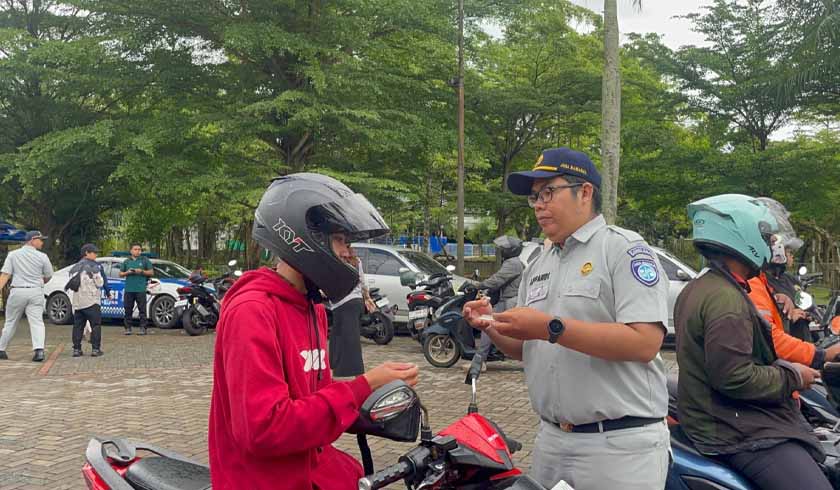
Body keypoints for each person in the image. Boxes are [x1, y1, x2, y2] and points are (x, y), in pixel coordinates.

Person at [464, 147, 671, 490]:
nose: (539, 205)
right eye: (534, 197)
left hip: (618, 447)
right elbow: (528, 348)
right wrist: (493, 325)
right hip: (551, 440)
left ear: (585, 192)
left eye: (548, 192)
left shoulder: (623, 249)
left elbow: (645, 342)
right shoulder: (540, 264)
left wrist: (550, 328)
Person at [208, 173, 419, 490]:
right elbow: (265, 429)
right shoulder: (252, 312)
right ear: (304, 238)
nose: (349, 253)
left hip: (311, 471)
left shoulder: (312, 309)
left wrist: (369, 403)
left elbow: (308, 398)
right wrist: (362, 386)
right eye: (341, 241)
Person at [674, 193, 831, 490]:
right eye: (767, 236)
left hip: (722, 419)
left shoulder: (705, 286)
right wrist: (794, 376)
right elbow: (735, 377)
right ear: (741, 234)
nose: (772, 244)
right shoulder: (725, 300)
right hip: (734, 428)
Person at [472, 235, 525, 371]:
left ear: (510, 250)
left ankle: (480, 361)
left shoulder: (512, 263)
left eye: (504, 249)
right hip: (507, 299)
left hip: (510, 300)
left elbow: (497, 280)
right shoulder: (514, 262)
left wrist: (478, 285)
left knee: (488, 324)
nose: (501, 252)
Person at [0, 231, 53, 362]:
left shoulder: (13, 255)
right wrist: (41, 281)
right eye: (40, 239)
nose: (42, 242)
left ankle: (1, 349)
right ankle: (39, 351)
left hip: (17, 291)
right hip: (35, 292)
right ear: (32, 240)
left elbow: (5, 274)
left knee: (11, 322)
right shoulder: (43, 256)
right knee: (37, 322)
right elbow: (49, 275)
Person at [328, 247, 367, 377]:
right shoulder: (357, 261)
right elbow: (362, 281)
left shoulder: (338, 261)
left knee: (348, 339)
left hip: (344, 302)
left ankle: (356, 373)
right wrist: (367, 297)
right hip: (355, 302)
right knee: (339, 336)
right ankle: (335, 367)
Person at [68, 244, 109, 357]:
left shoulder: (75, 267)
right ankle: (95, 349)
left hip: (78, 301)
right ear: (87, 252)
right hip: (92, 301)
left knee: (78, 326)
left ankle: (76, 349)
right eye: (94, 252)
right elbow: (100, 283)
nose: (96, 255)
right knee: (95, 325)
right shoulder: (95, 266)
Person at [118, 244, 153, 335]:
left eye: (139, 249)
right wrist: (128, 272)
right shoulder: (126, 261)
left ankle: (143, 328)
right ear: (131, 251)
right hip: (129, 289)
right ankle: (128, 328)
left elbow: (151, 272)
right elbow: (120, 274)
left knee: (142, 310)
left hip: (140, 289)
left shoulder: (145, 260)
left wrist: (141, 271)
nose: (138, 251)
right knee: (128, 309)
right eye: (135, 249)